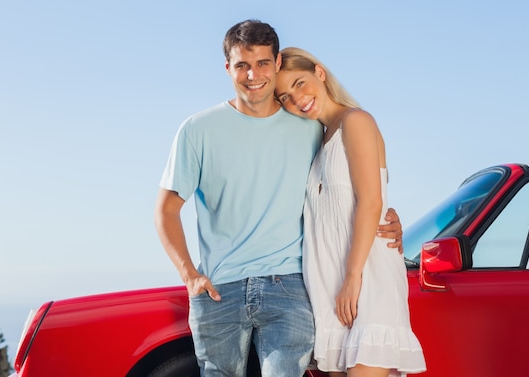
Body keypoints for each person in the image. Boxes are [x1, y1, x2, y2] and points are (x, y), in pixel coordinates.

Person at [154, 20, 404, 377]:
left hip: (289, 285)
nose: (252, 75)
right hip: (219, 288)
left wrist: (389, 220)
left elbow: (359, 190)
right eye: (242, 65)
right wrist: (189, 275)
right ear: (228, 68)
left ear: (276, 63)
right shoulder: (197, 130)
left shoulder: (311, 125)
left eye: (262, 63)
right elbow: (165, 211)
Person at [275, 47, 427, 377]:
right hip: (332, 287)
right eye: (285, 96)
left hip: (364, 277)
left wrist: (352, 277)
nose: (297, 99)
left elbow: (371, 201)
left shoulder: (356, 120)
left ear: (320, 72)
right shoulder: (318, 142)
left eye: (300, 83)